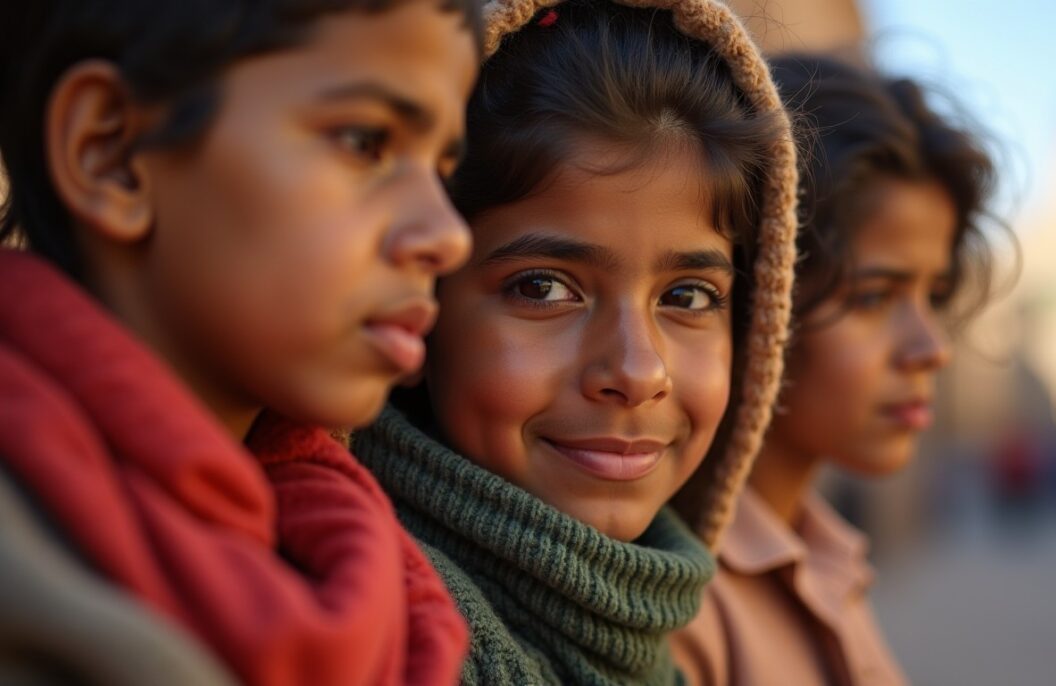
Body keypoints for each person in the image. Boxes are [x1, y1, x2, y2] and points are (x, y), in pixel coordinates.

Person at [0, 1, 482, 682]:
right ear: (111, 152)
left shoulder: (369, 583)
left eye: (442, 171)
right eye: (366, 141)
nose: (447, 234)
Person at [350, 0, 799, 682]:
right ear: (418, 301)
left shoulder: (669, 656)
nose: (638, 369)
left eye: (688, 297)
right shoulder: (374, 643)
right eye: (542, 288)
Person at [671, 53, 998, 686]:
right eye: (873, 297)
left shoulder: (826, 555)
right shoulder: (681, 607)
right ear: (759, 297)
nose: (933, 348)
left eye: (932, 295)